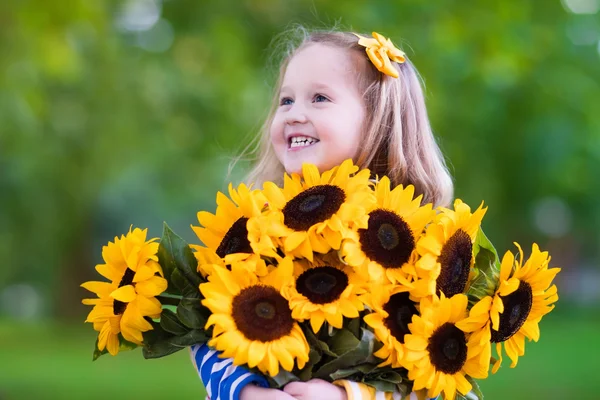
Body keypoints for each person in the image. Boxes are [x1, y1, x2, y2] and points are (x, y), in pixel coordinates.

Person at [190, 26, 453, 400]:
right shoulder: (254, 229)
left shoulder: (420, 248)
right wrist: (247, 392)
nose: (295, 114)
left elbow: (437, 378)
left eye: (318, 98)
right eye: (285, 101)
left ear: (379, 119)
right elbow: (207, 325)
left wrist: (348, 397)